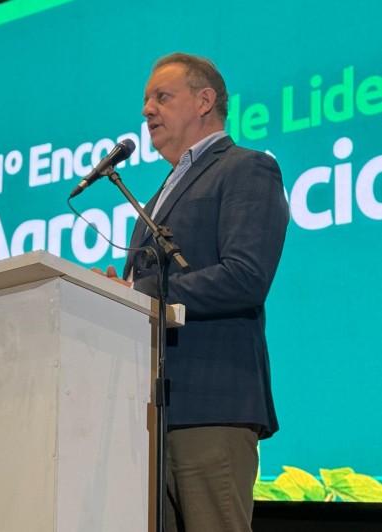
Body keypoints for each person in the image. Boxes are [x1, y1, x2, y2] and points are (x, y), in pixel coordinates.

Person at [98, 52, 289, 531]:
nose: (147, 110)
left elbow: (245, 275)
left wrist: (142, 293)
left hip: (212, 405)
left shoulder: (246, 169)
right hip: (150, 417)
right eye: (146, 101)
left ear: (205, 101)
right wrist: (119, 296)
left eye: (161, 97)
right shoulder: (158, 194)